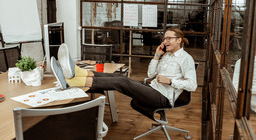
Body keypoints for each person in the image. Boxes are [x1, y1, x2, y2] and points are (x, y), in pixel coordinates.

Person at [51, 27, 197, 109]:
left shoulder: (186, 59)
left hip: (163, 98)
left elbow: (192, 85)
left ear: (179, 40)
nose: (165, 41)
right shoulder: (167, 55)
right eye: (164, 38)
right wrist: (157, 55)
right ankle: (77, 72)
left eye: (169, 38)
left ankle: (73, 81)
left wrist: (171, 82)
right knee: (119, 78)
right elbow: (151, 73)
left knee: (122, 82)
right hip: (152, 87)